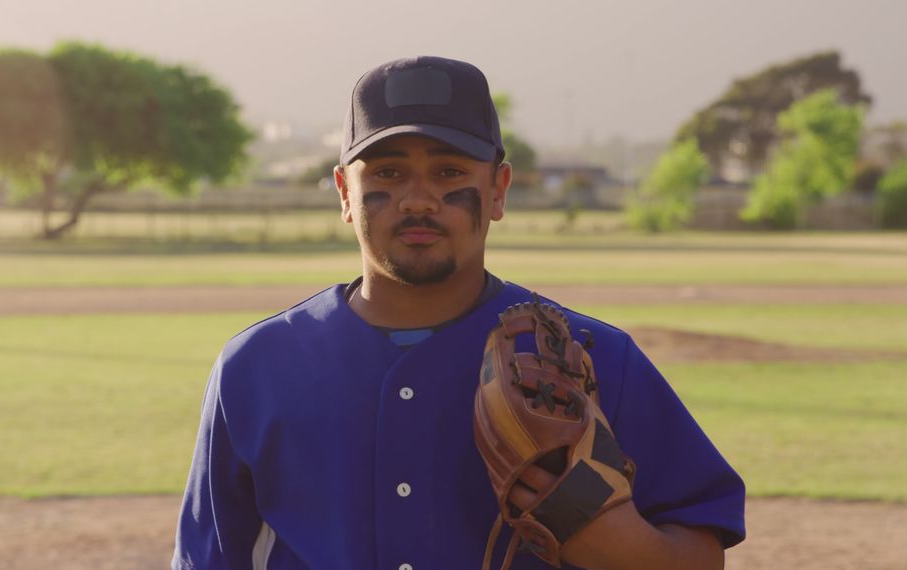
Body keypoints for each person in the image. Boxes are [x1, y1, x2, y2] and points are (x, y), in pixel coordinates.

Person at [173, 56, 745, 570]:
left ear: (498, 189)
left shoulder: (592, 357)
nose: (418, 199)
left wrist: (624, 549)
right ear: (345, 191)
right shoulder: (257, 367)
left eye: (449, 173)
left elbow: (700, 549)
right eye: (388, 173)